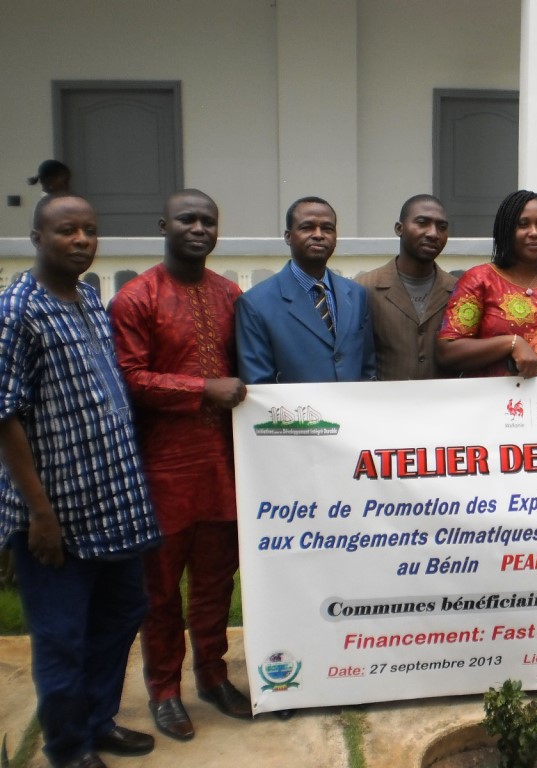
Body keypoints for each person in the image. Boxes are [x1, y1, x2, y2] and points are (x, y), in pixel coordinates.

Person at [0, 195, 161, 768]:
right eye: (66, 230)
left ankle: (97, 720)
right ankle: (68, 749)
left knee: (122, 613)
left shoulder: (89, 299)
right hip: (56, 513)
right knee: (62, 636)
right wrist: (40, 513)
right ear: (37, 238)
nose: (81, 240)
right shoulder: (17, 311)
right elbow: (4, 415)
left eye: (89, 230)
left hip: (112, 500)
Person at [109, 190, 250, 742]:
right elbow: (130, 378)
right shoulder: (136, 297)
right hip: (163, 468)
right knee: (161, 591)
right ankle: (164, 690)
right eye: (187, 219)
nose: (198, 228)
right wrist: (202, 389)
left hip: (222, 466)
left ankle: (213, 675)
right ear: (162, 225)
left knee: (216, 583)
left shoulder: (230, 295)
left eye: (207, 221)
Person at [436, 189, 537, 378]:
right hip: (490, 396)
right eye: (523, 224)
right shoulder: (479, 279)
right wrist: (511, 343)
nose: (534, 232)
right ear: (507, 229)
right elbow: (447, 351)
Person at [235, 196, 376, 384]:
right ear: (288, 237)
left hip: (353, 402)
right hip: (296, 404)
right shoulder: (255, 304)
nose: (318, 235)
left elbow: (367, 368)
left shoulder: (357, 295)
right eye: (307, 227)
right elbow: (258, 383)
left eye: (327, 228)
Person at [355, 194, 457, 380]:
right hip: (383, 398)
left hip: (444, 398)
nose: (433, 233)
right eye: (422, 223)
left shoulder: (459, 291)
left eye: (441, 227)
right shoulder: (364, 288)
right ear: (399, 228)